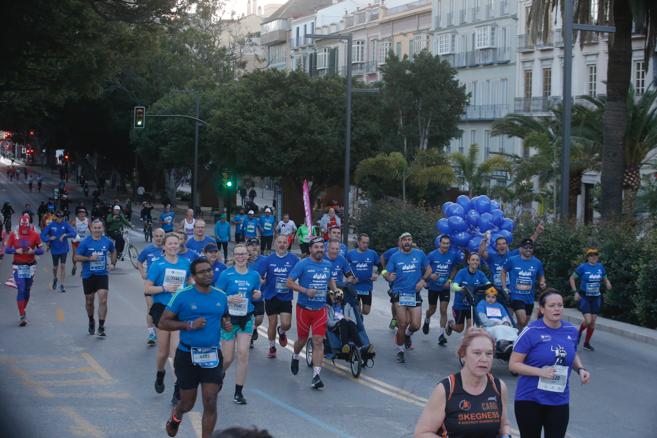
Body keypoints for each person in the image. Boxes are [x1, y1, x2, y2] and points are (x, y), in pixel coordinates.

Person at [160, 258, 231, 438]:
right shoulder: (182, 295)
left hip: (212, 355)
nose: (208, 274)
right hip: (187, 355)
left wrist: (226, 324)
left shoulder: (221, 296)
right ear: (193, 276)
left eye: (209, 270)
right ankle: (176, 416)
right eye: (202, 272)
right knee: (187, 403)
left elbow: (223, 317)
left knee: (210, 400)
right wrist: (189, 324)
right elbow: (163, 322)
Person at [509, 289, 591, 438]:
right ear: (542, 309)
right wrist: (540, 372)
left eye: (560, 305)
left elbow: (571, 354)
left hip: (559, 400)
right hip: (530, 399)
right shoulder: (531, 331)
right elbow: (513, 364)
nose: (557, 308)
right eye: (552, 305)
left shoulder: (571, 331)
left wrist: (580, 369)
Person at [414, 328, 512, 438]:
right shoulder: (446, 389)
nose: (484, 359)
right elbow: (421, 433)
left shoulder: (498, 387)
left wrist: (506, 435)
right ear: (463, 355)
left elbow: (504, 425)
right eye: (477, 353)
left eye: (489, 353)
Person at [145, 233, 191, 405]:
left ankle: (177, 388)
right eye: (170, 243)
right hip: (162, 310)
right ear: (163, 246)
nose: (173, 246)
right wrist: (164, 288)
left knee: (176, 352)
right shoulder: (158, 265)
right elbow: (148, 289)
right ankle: (160, 372)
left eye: (176, 243)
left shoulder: (185, 263)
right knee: (163, 352)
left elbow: (190, 283)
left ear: (179, 246)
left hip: (179, 310)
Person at [287, 236, 336, 389]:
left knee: (318, 341)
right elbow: (288, 282)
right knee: (302, 340)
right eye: (316, 247)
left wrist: (335, 290)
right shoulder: (302, 264)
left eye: (322, 247)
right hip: (304, 309)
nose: (320, 250)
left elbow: (330, 279)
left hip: (320, 309)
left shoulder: (328, 264)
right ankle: (295, 356)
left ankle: (316, 376)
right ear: (310, 249)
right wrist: (305, 290)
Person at [216, 244, 262, 405]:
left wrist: (258, 294)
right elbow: (216, 295)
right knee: (228, 357)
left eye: (243, 254)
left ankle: (238, 392)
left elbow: (256, 292)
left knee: (243, 353)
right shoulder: (226, 274)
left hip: (246, 318)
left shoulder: (254, 275)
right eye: (238, 254)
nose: (241, 257)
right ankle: (219, 374)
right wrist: (228, 298)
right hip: (229, 319)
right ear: (233, 256)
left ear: (248, 256)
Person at [385, 232, 431, 363]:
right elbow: (387, 273)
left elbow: (429, 269)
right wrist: (389, 277)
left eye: (409, 239)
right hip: (399, 294)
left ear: (412, 241)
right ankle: (400, 349)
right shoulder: (395, 257)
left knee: (416, 325)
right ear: (401, 242)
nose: (407, 242)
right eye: (404, 239)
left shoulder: (419, 254)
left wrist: (422, 281)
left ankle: (407, 335)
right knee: (403, 323)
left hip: (414, 294)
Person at [258, 235, 298, 359]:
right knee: (272, 323)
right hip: (270, 295)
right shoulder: (268, 259)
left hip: (285, 296)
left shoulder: (294, 259)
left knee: (286, 324)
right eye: (279, 242)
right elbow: (259, 276)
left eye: (284, 242)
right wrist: (261, 281)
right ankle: (272, 347)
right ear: (275, 244)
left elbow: (301, 274)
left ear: (288, 244)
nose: (282, 245)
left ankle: (282, 331)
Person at [76, 220, 117, 337]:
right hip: (88, 275)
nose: (97, 230)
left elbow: (113, 251)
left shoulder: (107, 241)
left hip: (102, 274)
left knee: (103, 299)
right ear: (91, 229)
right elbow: (76, 257)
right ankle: (91, 320)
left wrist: (113, 263)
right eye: (95, 228)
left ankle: (101, 326)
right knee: (89, 301)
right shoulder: (85, 242)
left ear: (102, 229)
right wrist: (89, 258)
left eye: (99, 228)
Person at [569, 247, 612, 351]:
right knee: (588, 321)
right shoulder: (583, 267)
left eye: (595, 255)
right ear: (587, 257)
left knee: (592, 323)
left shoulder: (600, 267)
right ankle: (577, 335)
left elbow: (604, 278)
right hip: (585, 297)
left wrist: (608, 283)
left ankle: (586, 343)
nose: (594, 257)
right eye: (591, 255)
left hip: (596, 297)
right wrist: (575, 292)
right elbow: (572, 278)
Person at [4, 214, 44, 326]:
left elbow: (41, 250)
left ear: (29, 224)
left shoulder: (35, 234)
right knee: (21, 289)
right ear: (19, 224)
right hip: (18, 265)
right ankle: (22, 315)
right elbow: (7, 249)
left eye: (26, 225)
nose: (24, 228)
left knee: (27, 290)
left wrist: (33, 251)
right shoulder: (14, 234)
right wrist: (16, 251)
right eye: (22, 225)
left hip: (30, 266)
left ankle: (23, 310)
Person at [423, 235, 462, 346]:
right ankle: (427, 318)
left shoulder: (452, 255)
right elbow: (425, 268)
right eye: (443, 243)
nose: (445, 245)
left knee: (443, 310)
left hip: (445, 287)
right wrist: (431, 276)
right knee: (432, 310)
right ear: (439, 243)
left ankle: (441, 335)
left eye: (447, 243)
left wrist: (449, 280)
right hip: (433, 287)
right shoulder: (432, 255)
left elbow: (454, 268)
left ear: (450, 244)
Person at [479, 223, 544, 289]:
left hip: (510, 290)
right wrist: (485, 240)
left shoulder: (513, 255)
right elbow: (481, 253)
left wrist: (537, 232)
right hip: (495, 290)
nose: (502, 246)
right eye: (499, 244)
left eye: (504, 244)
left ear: (507, 245)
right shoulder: (492, 256)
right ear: (496, 247)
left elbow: (527, 245)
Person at [500, 238, 546, 331]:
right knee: (522, 320)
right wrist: (504, 287)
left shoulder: (537, 262)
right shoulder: (512, 260)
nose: (528, 249)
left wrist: (542, 282)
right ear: (520, 249)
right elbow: (503, 271)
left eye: (530, 247)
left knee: (524, 323)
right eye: (526, 247)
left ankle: (514, 336)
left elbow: (541, 275)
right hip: (516, 296)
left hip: (529, 298)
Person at [446, 253, 491, 337]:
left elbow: (487, 284)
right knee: (459, 329)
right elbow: (454, 285)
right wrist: (460, 288)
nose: (475, 262)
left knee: (470, 327)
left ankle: (466, 346)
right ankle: (451, 324)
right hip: (459, 305)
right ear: (468, 261)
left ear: (479, 262)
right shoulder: (462, 272)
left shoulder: (480, 274)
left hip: (472, 304)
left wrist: (491, 288)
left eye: (477, 260)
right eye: (473, 260)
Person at [326, 289, 374, 355]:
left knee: (351, 323)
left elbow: (354, 320)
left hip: (349, 326)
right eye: (335, 298)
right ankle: (344, 345)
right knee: (343, 321)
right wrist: (341, 320)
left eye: (338, 298)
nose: (337, 300)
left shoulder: (347, 306)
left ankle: (361, 346)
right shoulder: (329, 308)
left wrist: (348, 319)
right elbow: (329, 322)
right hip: (336, 327)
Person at [40, 210, 76, 293]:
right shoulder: (51, 225)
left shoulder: (65, 224)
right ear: (55, 217)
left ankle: (62, 285)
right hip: (55, 249)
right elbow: (42, 235)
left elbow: (73, 233)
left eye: (61, 217)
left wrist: (65, 235)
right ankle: (55, 278)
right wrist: (48, 238)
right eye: (58, 217)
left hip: (63, 248)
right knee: (55, 267)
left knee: (63, 266)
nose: (60, 219)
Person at [346, 233, 379, 316]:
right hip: (354, 287)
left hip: (367, 287)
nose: (366, 245)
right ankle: (358, 324)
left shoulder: (373, 253)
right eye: (363, 242)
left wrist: (376, 274)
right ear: (358, 242)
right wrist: (350, 278)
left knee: (366, 311)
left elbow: (379, 265)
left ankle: (358, 319)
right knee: (357, 311)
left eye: (367, 243)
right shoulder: (351, 254)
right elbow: (344, 268)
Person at [380, 245, 400, 330]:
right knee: (395, 300)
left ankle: (398, 319)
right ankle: (394, 318)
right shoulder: (392, 251)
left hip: (405, 278)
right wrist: (384, 268)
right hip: (393, 279)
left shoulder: (411, 251)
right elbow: (382, 257)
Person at [70, 207, 90, 276]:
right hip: (76, 240)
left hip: (84, 241)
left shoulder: (87, 221)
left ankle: (83, 270)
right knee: (75, 255)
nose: (82, 214)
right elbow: (69, 228)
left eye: (83, 213)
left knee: (83, 255)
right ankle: (74, 266)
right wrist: (72, 232)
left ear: (85, 214)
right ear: (78, 214)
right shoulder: (75, 220)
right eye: (80, 213)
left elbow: (92, 229)